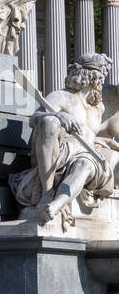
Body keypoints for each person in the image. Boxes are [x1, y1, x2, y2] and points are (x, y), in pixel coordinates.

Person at [11, 55, 119, 224]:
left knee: (85, 163)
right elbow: (34, 119)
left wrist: (108, 144)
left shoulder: (99, 107)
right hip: (61, 152)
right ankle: (47, 195)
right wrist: (58, 115)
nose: (101, 82)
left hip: (87, 156)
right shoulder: (61, 96)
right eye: (100, 77)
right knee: (49, 121)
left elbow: (94, 136)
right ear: (89, 76)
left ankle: (56, 204)